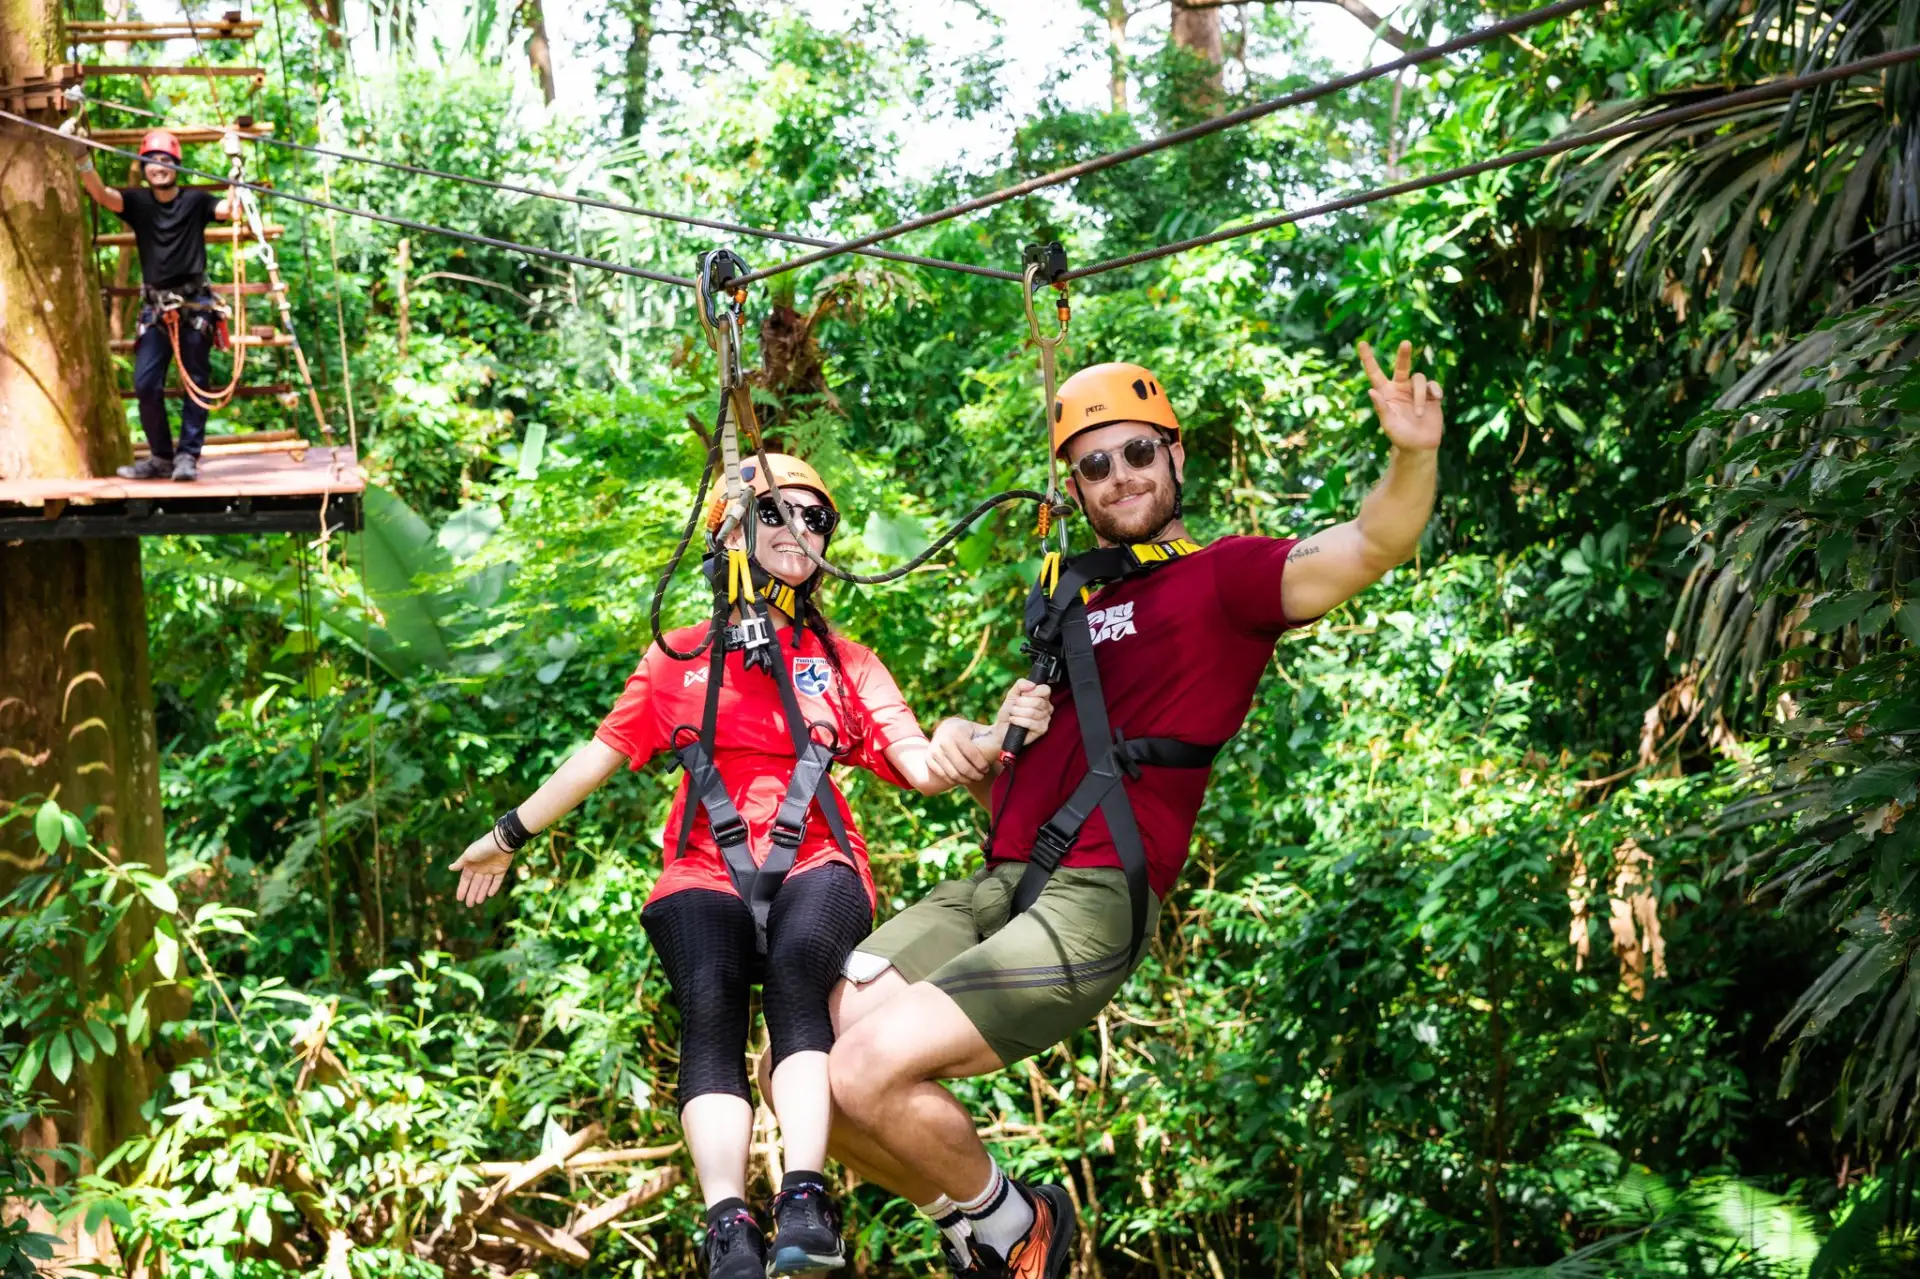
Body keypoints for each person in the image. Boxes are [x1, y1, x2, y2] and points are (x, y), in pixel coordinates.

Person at [821, 341, 1448, 1278]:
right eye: (1095, 465)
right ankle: (991, 1226)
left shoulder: (1224, 581)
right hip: (1001, 881)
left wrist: (1412, 455)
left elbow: (1371, 544)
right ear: (1074, 486)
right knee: (800, 1077)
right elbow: (1018, 776)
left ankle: (1009, 1220)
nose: (1119, 477)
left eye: (1138, 453)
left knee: (868, 1066)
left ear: (1176, 456)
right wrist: (975, 741)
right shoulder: (1067, 600)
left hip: (1092, 895)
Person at [447, 454, 1053, 1278]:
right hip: (703, 869)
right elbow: (597, 757)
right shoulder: (677, 660)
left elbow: (920, 762)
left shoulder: (844, 662)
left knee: (803, 975)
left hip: (818, 860)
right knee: (710, 1007)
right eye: (776, 512)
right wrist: (507, 834)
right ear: (731, 531)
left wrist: (992, 732)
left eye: (816, 518)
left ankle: (803, 1199)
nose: (799, 528)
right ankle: (728, 1224)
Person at [75, 128, 236, 482]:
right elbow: (101, 195)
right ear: (144, 167)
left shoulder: (195, 202)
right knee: (146, 383)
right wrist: (81, 156)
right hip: (157, 309)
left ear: (176, 167)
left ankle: (187, 457)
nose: (158, 167)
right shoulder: (138, 204)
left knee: (196, 381)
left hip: (194, 306)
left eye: (165, 162)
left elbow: (228, 210)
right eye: (151, 161)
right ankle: (162, 457)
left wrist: (234, 168)